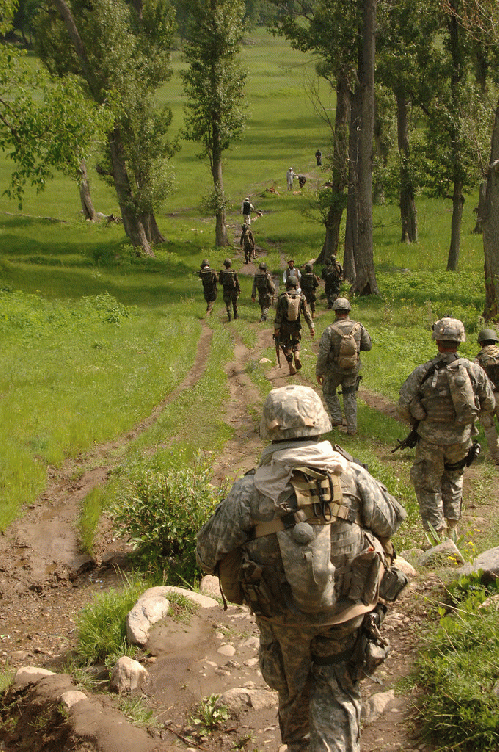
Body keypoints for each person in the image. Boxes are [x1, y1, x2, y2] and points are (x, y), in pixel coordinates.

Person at [196, 384, 407, 752]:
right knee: (339, 691)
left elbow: (207, 551)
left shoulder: (249, 490)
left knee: (294, 693)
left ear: (269, 427)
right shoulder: (352, 476)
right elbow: (390, 521)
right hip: (347, 611)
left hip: (282, 617)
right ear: (321, 421)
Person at [398, 317, 495, 539]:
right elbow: (489, 404)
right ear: (460, 341)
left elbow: (403, 406)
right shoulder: (473, 370)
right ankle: (452, 530)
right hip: (461, 440)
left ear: (437, 341)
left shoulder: (424, 371)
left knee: (427, 484)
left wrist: (419, 418)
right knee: (453, 479)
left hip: (430, 441)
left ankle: (435, 537)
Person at [316, 298, 372, 436]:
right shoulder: (359, 327)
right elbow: (368, 346)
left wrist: (319, 371)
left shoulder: (329, 330)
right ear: (348, 311)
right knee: (350, 395)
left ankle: (336, 418)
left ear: (335, 311)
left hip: (334, 370)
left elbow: (323, 353)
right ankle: (352, 428)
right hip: (352, 368)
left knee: (329, 391)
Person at [275, 278, 314, 376]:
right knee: (296, 341)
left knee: (285, 345)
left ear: (287, 285)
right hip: (296, 325)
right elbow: (306, 313)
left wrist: (276, 327)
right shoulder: (301, 297)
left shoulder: (282, 297)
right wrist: (311, 326)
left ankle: (290, 365)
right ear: (296, 285)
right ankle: (297, 355)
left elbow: (278, 314)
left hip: (284, 326)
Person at [474, 328, 499, 464]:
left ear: (481, 342)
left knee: (489, 428)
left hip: (487, 398)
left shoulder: (478, 358)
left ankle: (497, 457)